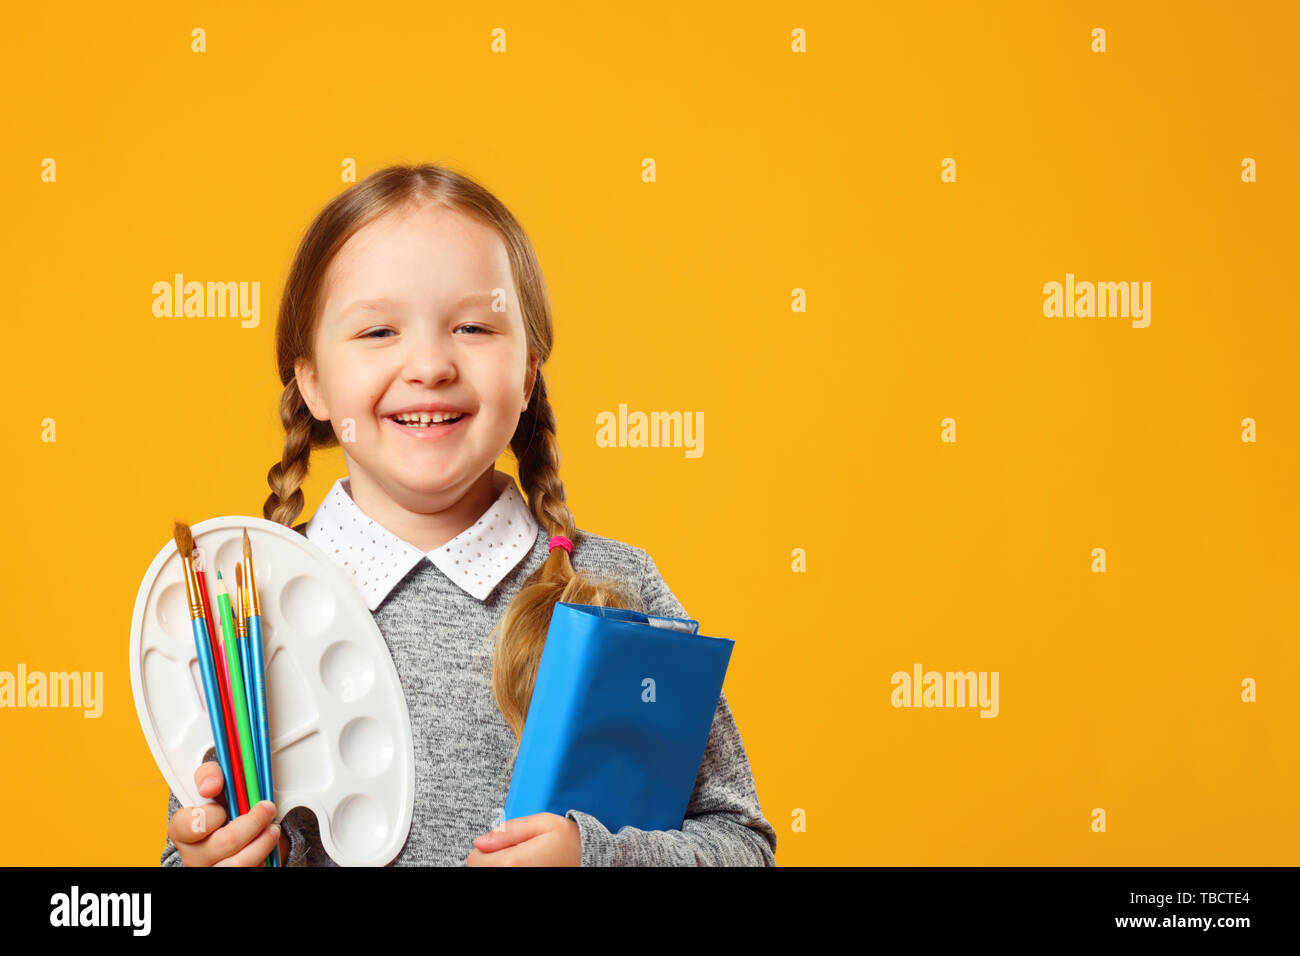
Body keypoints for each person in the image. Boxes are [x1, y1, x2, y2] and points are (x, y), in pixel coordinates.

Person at [161, 163, 776, 866]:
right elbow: (189, 851)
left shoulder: (611, 587)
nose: (429, 364)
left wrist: (591, 856)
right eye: (377, 331)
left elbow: (743, 847)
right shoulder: (249, 607)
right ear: (313, 384)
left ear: (527, 373)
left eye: (473, 327)